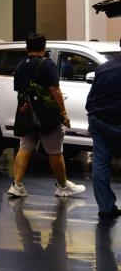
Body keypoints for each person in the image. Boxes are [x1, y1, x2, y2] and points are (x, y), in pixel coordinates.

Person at [7, 33, 85, 199]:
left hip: (26, 112)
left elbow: (19, 89)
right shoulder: (46, 64)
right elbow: (55, 90)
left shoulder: (21, 65)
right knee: (55, 151)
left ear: (27, 47)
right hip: (46, 115)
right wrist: (64, 113)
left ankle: (16, 184)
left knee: (25, 146)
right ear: (44, 46)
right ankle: (63, 186)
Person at [85, 42, 121, 219]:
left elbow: (90, 99)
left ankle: (106, 207)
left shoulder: (104, 68)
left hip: (99, 121)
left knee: (100, 163)